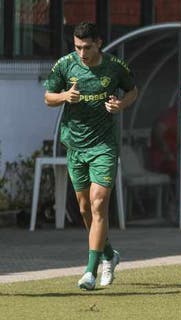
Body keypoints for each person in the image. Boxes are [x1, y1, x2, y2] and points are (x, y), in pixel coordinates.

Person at [44, 22, 138, 290]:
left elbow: (133, 90)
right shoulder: (65, 65)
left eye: (87, 47)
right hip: (75, 145)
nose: (82, 53)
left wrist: (121, 104)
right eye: (77, 47)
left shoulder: (115, 66)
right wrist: (64, 96)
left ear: (99, 42)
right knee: (85, 208)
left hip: (104, 146)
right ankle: (109, 254)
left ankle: (89, 271)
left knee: (98, 204)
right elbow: (48, 97)